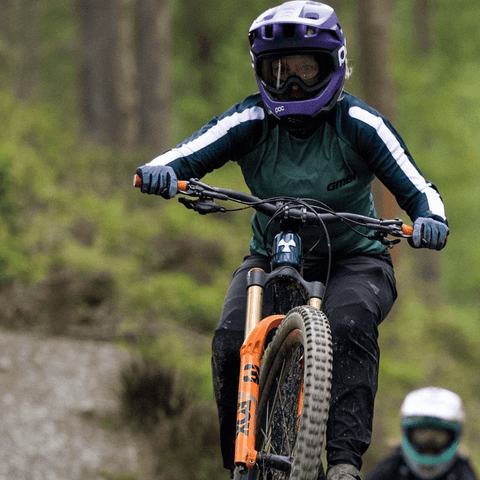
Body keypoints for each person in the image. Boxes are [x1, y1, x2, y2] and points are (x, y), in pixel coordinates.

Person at [135, 2, 449, 479]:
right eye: (278, 71)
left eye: (306, 69)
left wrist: (429, 219)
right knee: (228, 341)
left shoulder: (360, 124)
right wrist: (162, 173)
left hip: (355, 260)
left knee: (350, 323)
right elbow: (183, 156)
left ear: (335, 64)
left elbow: (420, 189)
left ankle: (343, 463)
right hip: (269, 256)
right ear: (261, 72)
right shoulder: (250, 120)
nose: (292, 84)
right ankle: (241, 462)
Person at [365, 387, 477, 480]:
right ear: (407, 433)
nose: (429, 444)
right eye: (422, 434)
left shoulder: (463, 474)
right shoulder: (389, 470)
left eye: (438, 435)